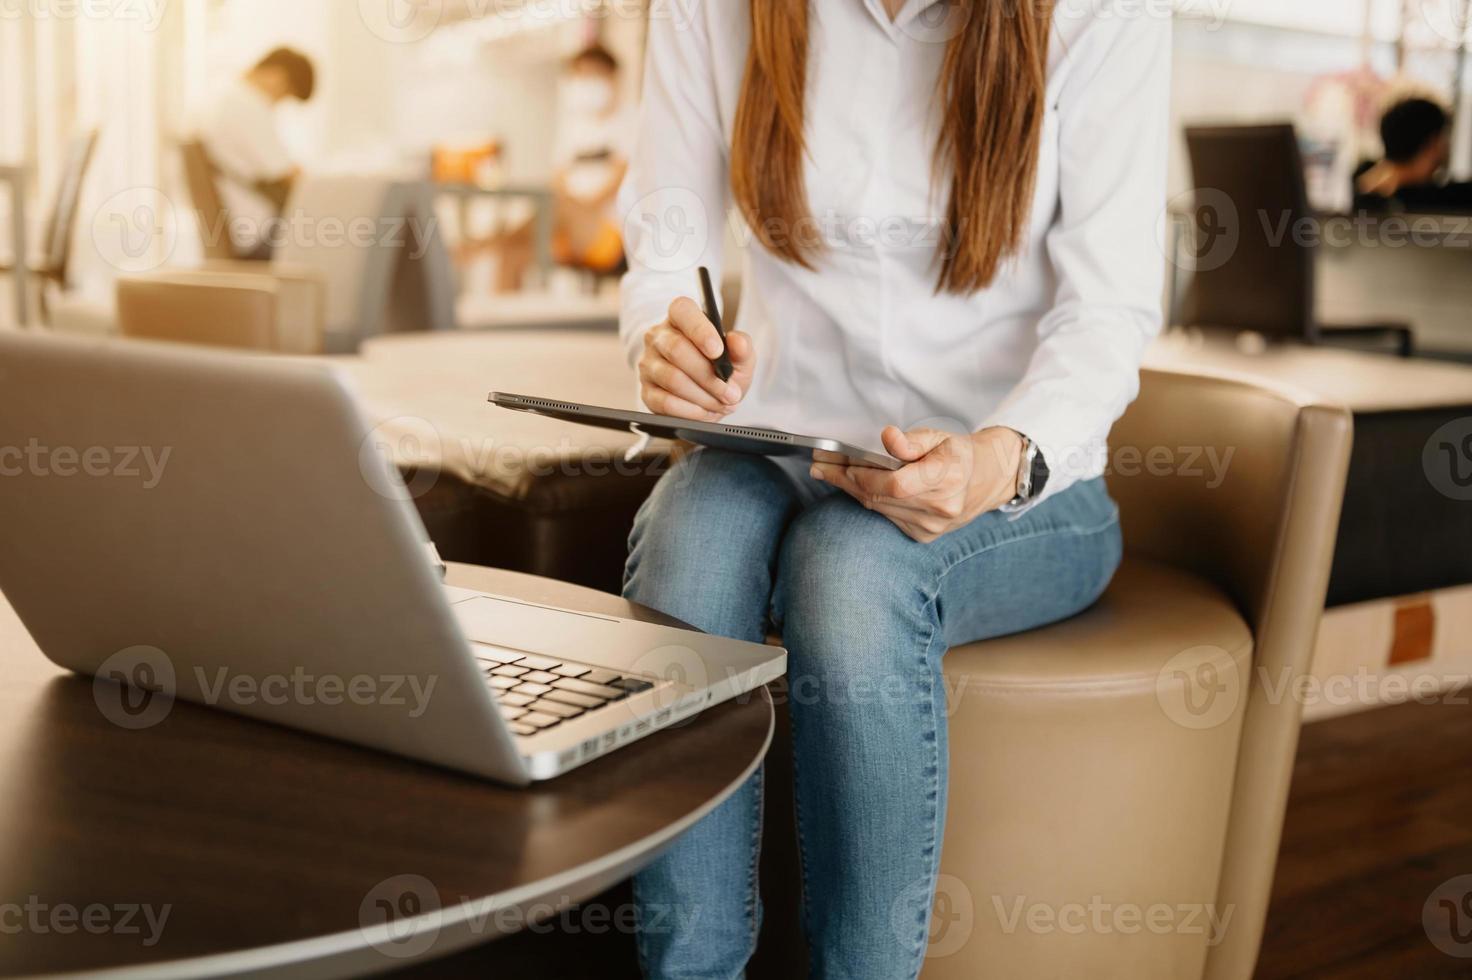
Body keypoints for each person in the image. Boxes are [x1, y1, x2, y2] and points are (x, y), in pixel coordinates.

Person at [615, 1, 1169, 978]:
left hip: (1019, 481)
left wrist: (996, 455)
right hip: (779, 443)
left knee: (850, 566)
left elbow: (1107, 306)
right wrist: (662, 343)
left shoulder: (1098, 15)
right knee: (685, 546)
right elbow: (668, 237)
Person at [196, 47, 316, 257]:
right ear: (278, 77)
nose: (279, 103)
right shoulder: (245, 104)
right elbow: (288, 175)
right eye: (285, 96)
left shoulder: (223, 96)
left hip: (234, 226)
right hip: (257, 232)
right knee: (345, 234)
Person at [1353, 97, 1472, 213]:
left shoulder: (1360, 186)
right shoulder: (1438, 202)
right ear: (1434, 142)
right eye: (1444, 137)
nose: (1447, 146)